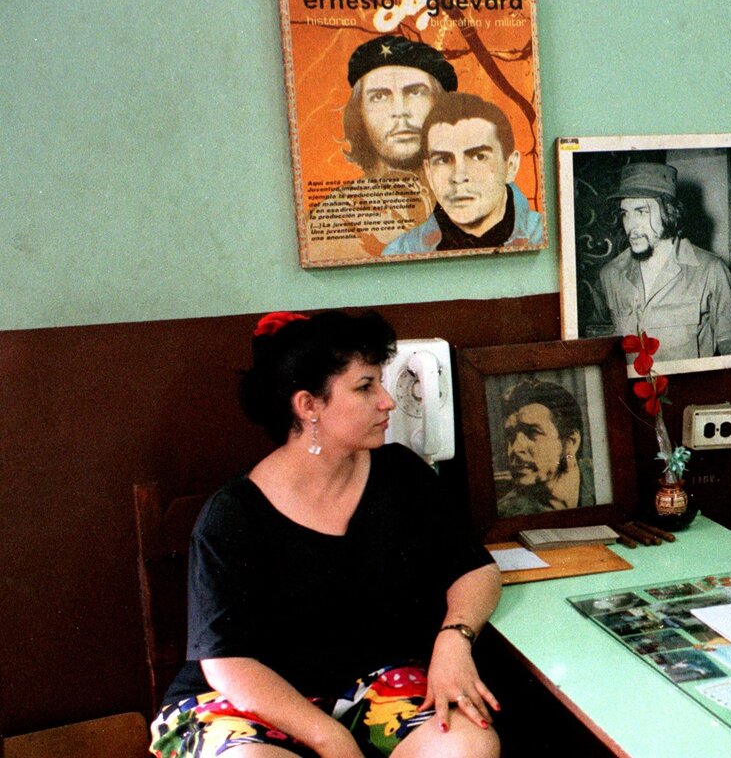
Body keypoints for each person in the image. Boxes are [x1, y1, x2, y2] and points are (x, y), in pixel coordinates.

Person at [148, 310, 501, 758]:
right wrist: (329, 737)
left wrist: (455, 639)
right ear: (308, 405)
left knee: (467, 743)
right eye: (365, 387)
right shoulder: (232, 515)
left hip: (373, 687)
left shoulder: (401, 475)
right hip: (251, 702)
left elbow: (476, 570)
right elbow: (225, 662)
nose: (387, 401)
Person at [306, 35, 456, 261]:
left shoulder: (487, 196)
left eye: (415, 92)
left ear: (440, 104)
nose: (399, 110)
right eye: (379, 97)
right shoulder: (333, 217)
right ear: (359, 115)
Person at [597, 162, 731, 360]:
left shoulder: (710, 271)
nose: (630, 226)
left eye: (641, 212)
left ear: (668, 212)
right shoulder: (610, 275)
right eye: (626, 213)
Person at [382, 93, 543, 256]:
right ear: (428, 172)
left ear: (511, 166)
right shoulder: (401, 251)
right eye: (443, 159)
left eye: (479, 157)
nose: (458, 177)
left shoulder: (540, 235)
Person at [495, 379, 593, 518]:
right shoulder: (506, 514)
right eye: (510, 435)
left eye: (532, 432)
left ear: (571, 442)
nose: (515, 448)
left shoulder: (605, 483)